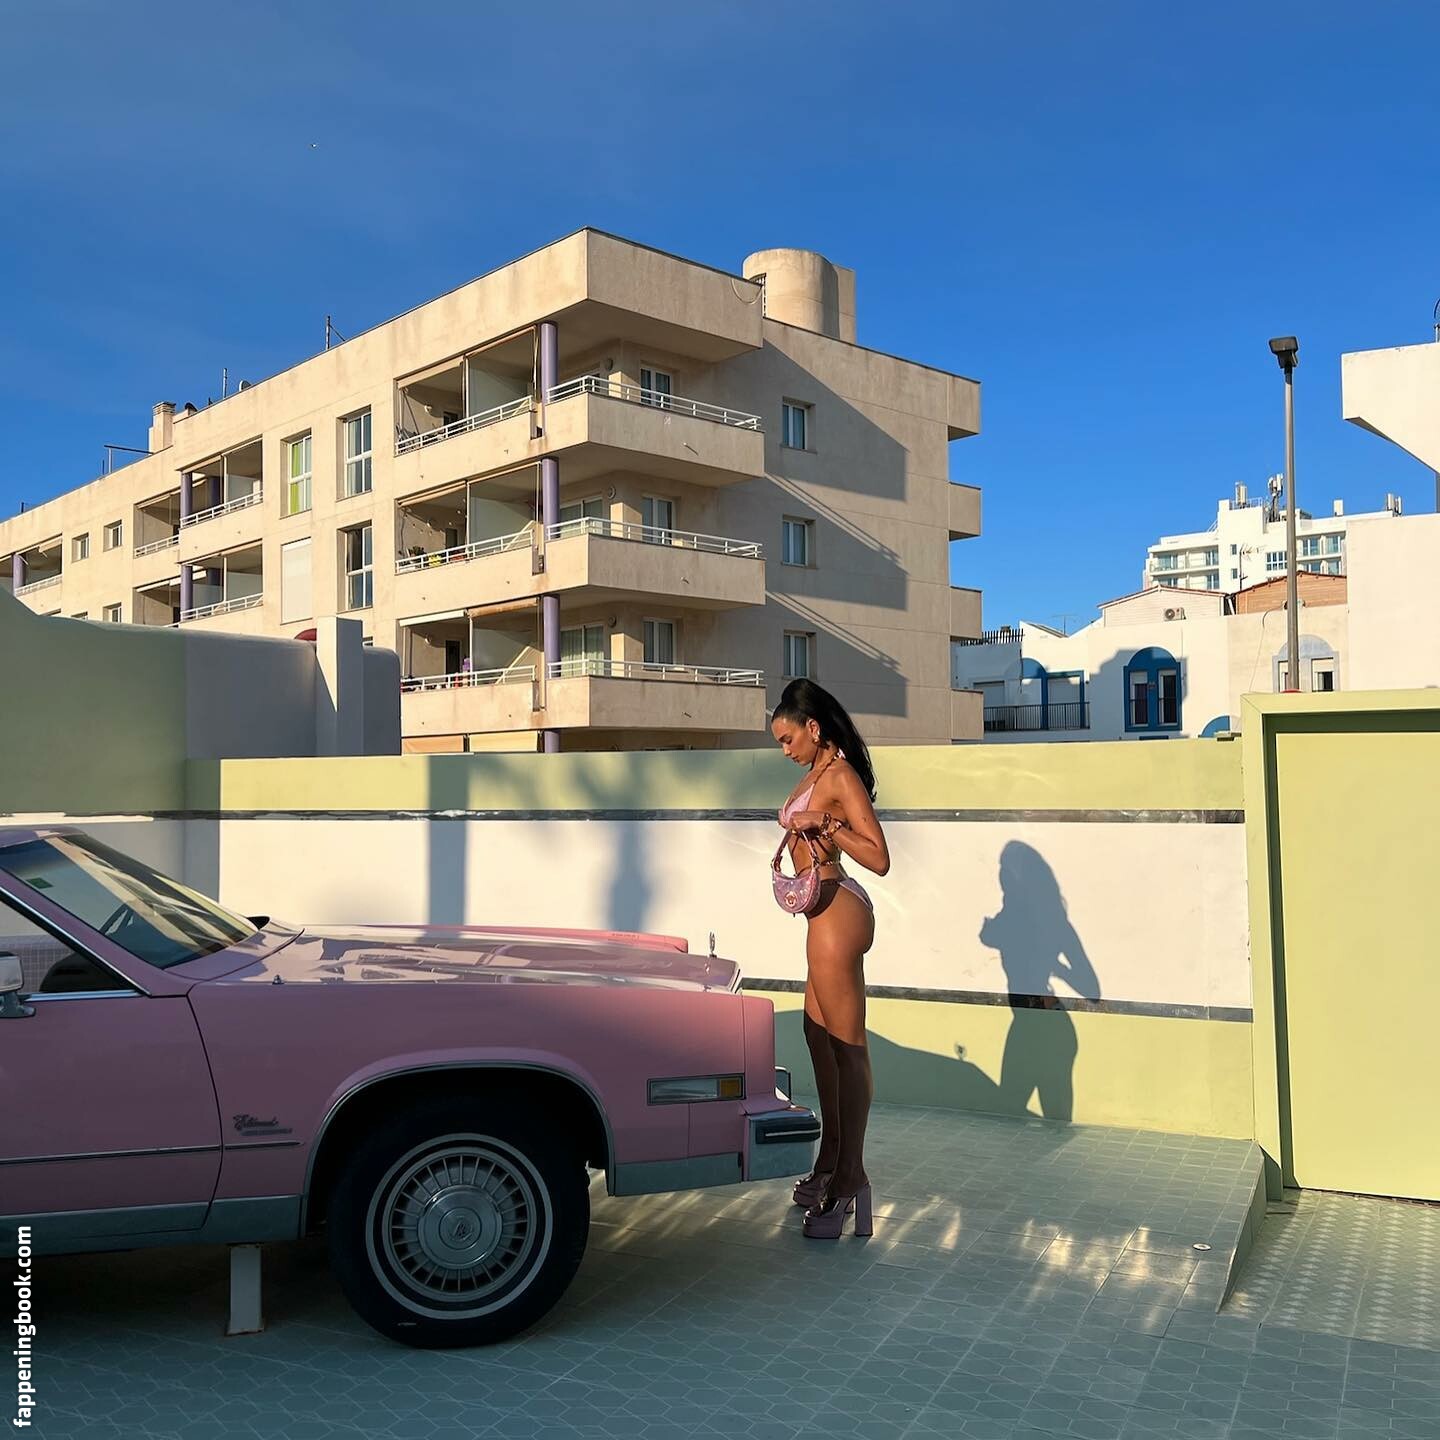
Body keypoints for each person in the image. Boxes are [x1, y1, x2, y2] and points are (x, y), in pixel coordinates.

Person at [770, 678, 889, 1239]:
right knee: (818, 1038)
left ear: (813, 728)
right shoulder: (814, 774)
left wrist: (827, 824)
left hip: (839, 911)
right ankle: (830, 1161)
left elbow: (879, 857)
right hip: (820, 914)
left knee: (847, 1048)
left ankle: (850, 1179)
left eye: (788, 738)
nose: (784, 749)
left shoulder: (838, 776)